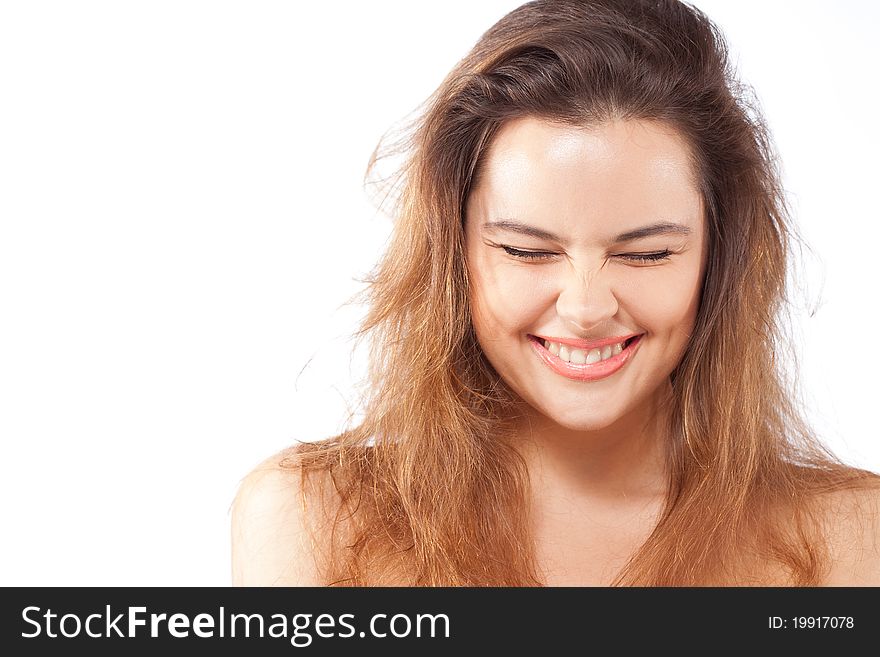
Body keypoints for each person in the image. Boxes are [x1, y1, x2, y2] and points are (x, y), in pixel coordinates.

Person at [230, 0, 880, 586]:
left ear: (720, 259)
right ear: (454, 254)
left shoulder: (848, 537)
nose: (585, 308)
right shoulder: (311, 520)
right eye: (526, 250)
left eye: (646, 253)